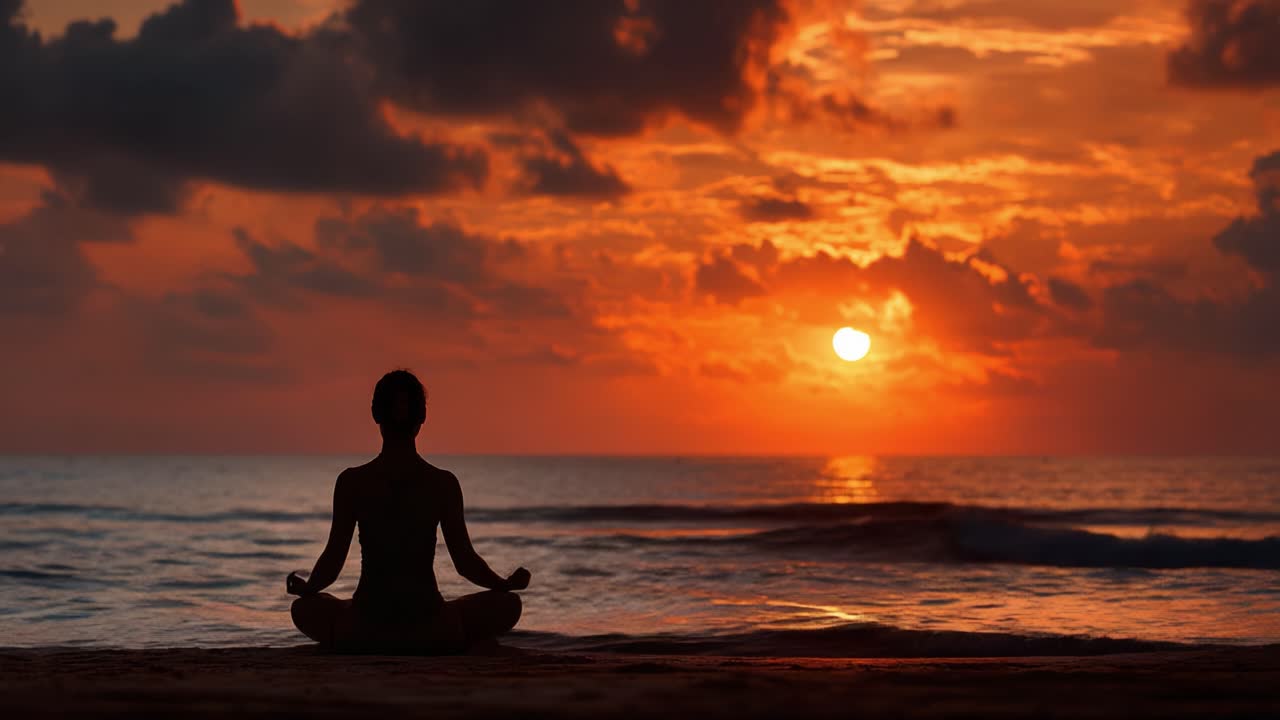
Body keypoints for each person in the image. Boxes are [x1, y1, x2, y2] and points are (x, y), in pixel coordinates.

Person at [286, 369, 530, 654]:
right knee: (508, 605)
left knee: (303, 608)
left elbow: (333, 558)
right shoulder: (442, 483)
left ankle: (372, 639)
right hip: (431, 626)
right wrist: (503, 584)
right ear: (422, 418)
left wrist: (309, 588)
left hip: (364, 626)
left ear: (376, 415)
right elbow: (465, 562)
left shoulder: (353, 481)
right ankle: (429, 638)